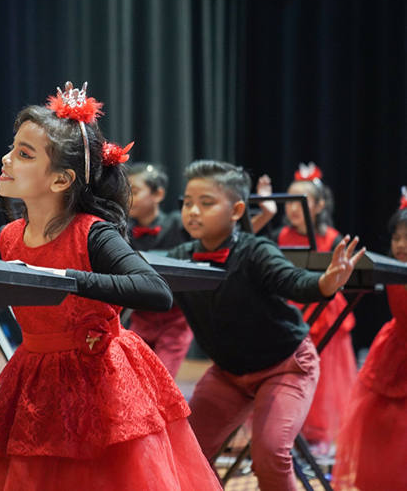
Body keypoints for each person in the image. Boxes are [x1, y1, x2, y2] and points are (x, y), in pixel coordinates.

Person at [0, 82, 221, 491]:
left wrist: (64, 279)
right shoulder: (9, 237)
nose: (6, 159)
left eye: (24, 154)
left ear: (60, 180)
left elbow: (155, 290)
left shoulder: (92, 234)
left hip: (100, 380)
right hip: (34, 378)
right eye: (13, 148)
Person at [165, 160, 365, 491]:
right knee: (184, 450)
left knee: (270, 453)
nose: (193, 212)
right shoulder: (183, 255)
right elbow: (143, 273)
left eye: (207, 202)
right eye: (187, 203)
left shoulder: (256, 250)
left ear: (237, 210)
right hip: (229, 374)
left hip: (285, 367)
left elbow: (296, 282)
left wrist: (328, 282)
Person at [269, 162, 358, 455]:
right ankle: (290, 432)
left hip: (325, 311)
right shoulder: (280, 237)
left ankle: (318, 437)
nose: (293, 208)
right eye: (289, 200)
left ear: (319, 204)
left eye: (302, 201)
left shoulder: (332, 238)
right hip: (290, 308)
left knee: (324, 373)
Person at [332, 188, 407, 491]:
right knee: (379, 428)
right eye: (397, 237)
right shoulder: (393, 272)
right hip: (394, 351)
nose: (400, 244)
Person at [125, 163, 192, 377]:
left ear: (158, 194)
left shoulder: (179, 224)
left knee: (160, 381)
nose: (128, 198)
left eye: (134, 191)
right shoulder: (122, 230)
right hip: (140, 318)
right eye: (125, 192)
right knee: (132, 380)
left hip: (175, 321)